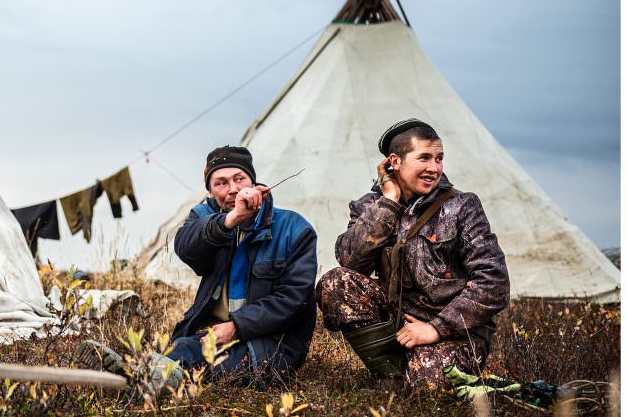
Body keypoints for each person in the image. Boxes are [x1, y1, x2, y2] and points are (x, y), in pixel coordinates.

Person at [79, 145, 318, 392]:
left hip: (271, 345)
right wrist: (230, 220)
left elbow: (293, 299)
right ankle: (134, 381)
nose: (233, 189)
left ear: (253, 183)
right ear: (211, 191)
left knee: (189, 359)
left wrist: (237, 327)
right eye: (221, 183)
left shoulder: (294, 229)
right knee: (181, 349)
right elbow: (186, 247)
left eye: (239, 179)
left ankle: (133, 383)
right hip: (215, 337)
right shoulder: (205, 218)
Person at [316, 119, 510, 389]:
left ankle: (408, 376)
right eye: (424, 158)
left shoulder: (462, 206)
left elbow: (494, 282)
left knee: (426, 389)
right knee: (336, 281)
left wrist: (436, 328)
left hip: (451, 332)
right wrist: (389, 203)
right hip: (398, 327)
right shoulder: (369, 206)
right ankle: (390, 371)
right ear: (394, 161)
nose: (434, 168)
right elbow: (350, 262)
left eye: (439, 158)